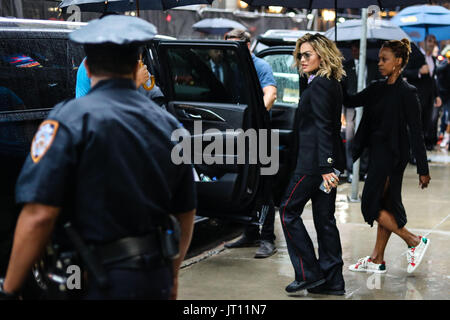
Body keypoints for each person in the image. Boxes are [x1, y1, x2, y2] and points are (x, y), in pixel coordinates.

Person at [0, 15, 196, 300]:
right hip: (154, 276)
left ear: (88, 67)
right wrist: (173, 273)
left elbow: (39, 215)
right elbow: (185, 212)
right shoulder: (169, 127)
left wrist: (10, 289)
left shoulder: (67, 121)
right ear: (136, 66)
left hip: (92, 278)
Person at [343, 39, 431, 275]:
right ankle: (377, 259)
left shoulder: (408, 93)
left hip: (393, 158)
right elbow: (350, 100)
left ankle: (413, 240)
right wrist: (339, 77)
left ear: (399, 62)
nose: (380, 63)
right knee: (384, 206)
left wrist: (423, 169)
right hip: (378, 154)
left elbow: (416, 133)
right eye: (380, 59)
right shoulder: (376, 88)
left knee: (370, 206)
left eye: (385, 59)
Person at [280, 33, 346, 295]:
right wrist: (330, 165)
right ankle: (332, 281)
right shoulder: (330, 82)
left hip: (314, 165)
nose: (302, 59)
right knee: (324, 219)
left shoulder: (319, 85)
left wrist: (325, 166)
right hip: (325, 163)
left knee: (287, 211)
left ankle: (309, 273)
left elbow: (322, 126)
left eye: (308, 54)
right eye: (300, 55)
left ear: (322, 55)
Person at [223, 29, 278, 259]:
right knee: (246, 182)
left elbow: (271, 94)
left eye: (234, 47)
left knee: (264, 187)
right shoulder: (229, 67)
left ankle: (267, 239)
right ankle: (250, 233)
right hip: (236, 132)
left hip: (260, 132)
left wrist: (253, 118)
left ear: (247, 46)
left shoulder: (260, 66)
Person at [341, 41, 382, 183]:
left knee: (367, 138)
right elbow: (343, 90)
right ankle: (351, 169)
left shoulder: (373, 65)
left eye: (357, 48)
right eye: (352, 48)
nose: (354, 50)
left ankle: (364, 169)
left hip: (368, 106)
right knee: (350, 138)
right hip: (351, 107)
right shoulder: (346, 67)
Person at [403, 34, 442, 151]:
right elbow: (404, 72)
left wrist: (437, 95)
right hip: (416, 96)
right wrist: (419, 71)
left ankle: (419, 153)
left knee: (424, 126)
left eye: (434, 41)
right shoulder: (414, 55)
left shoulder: (432, 59)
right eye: (429, 40)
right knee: (414, 127)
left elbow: (432, 80)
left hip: (428, 98)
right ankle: (411, 154)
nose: (432, 43)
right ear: (423, 42)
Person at [437, 47, 450, 149]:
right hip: (443, 94)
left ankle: (444, 136)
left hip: (447, 94)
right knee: (445, 116)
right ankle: (442, 135)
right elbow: (437, 70)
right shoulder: (444, 63)